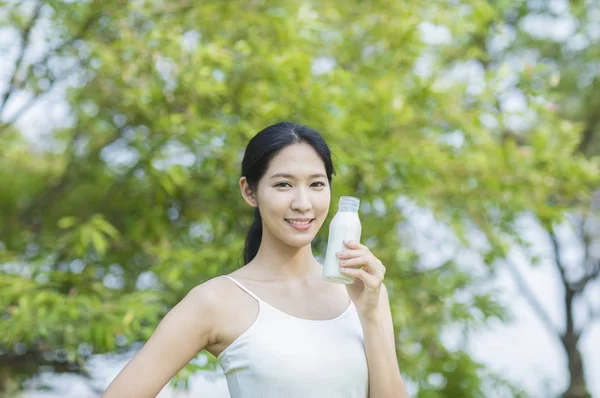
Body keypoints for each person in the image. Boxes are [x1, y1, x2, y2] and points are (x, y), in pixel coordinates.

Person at [102, 122, 408, 398]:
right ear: (249, 192)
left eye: (316, 184)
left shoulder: (366, 290)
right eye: (283, 185)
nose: (303, 204)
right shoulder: (216, 301)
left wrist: (369, 314)